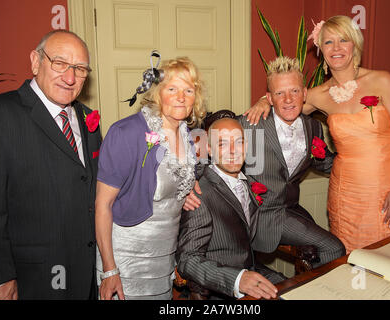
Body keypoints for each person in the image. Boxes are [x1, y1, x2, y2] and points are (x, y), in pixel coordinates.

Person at [245, 15, 390, 253]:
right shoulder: (317, 94)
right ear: (320, 50)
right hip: (345, 192)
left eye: (343, 40)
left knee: (389, 257)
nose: (336, 48)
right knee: (347, 257)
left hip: (386, 188)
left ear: (354, 45)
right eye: (328, 42)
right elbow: (287, 101)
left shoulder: (382, 81)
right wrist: (264, 101)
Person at [185, 56, 345, 268]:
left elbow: (325, 162)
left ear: (305, 93)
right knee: (334, 248)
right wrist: (187, 185)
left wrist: (358, 162)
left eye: (294, 91)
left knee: (319, 252)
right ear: (269, 97)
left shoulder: (313, 128)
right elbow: (209, 149)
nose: (288, 99)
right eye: (280, 93)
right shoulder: (251, 125)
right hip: (263, 216)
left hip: (293, 209)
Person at [0, 30, 102, 299]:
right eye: (59, 63)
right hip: (32, 280)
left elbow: (98, 184)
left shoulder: (87, 118)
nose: (70, 77)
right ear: (35, 62)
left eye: (80, 69)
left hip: (86, 275)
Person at [95, 56, 206, 300]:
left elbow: (169, 177)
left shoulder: (187, 135)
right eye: (172, 89)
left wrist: (183, 191)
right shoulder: (126, 133)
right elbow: (103, 205)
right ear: (158, 92)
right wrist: (109, 270)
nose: (181, 97)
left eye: (188, 90)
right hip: (127, 260)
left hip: (164, 257)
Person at [177, 117, 285, 300]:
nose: (233, 151)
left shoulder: (249, 181)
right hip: (221, 288)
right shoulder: (199, 194)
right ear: (209, 150)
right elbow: (188, 260)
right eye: (222, 144)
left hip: (254, 269)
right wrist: (237, 280)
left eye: (239, 142)